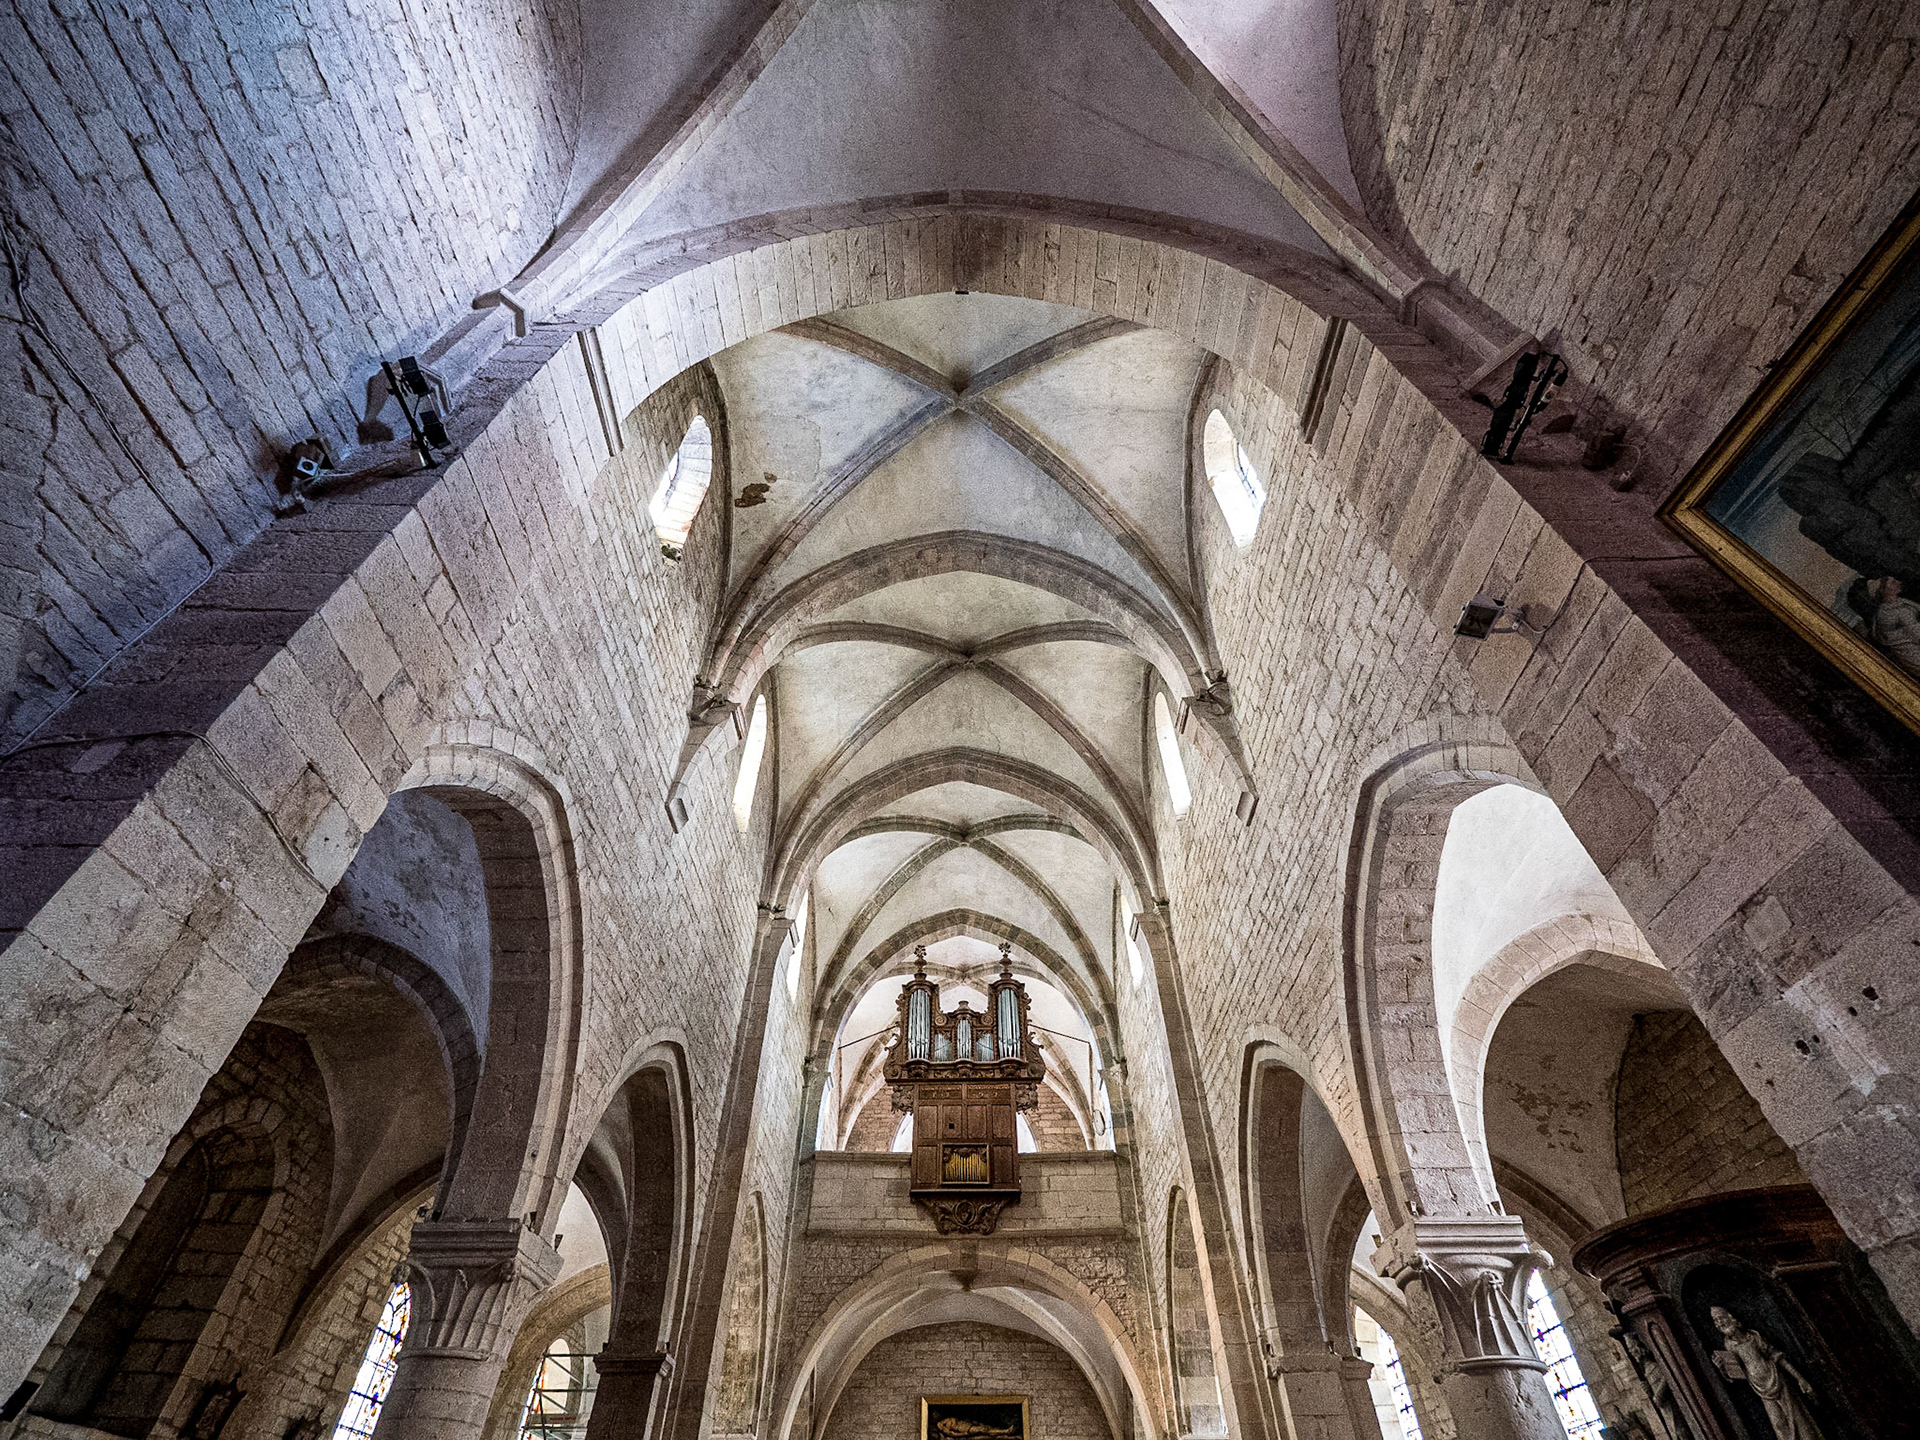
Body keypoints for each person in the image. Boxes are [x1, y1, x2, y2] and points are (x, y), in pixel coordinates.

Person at [1708, 1306, 1823, 1440]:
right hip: (1761, 1388)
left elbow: (1777, 1357)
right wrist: (1722, 1368)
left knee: (1798, 1417)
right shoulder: (1729, 1345)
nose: (1719, 1323)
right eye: (1715, 1321)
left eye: (1720, 1318)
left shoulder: (1753, 1337)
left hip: (1777, 1380)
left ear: (1731, 1318)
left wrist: (1800, 1379)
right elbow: (1736, 1374)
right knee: (1779, 1424)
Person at [1864, 576, 1920, 673]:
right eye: (1893, 582)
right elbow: (1917, 633)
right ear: (1884, 591)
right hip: (1913, 654)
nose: (1899, 582)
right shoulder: (1890, 613)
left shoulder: (1899, 602)